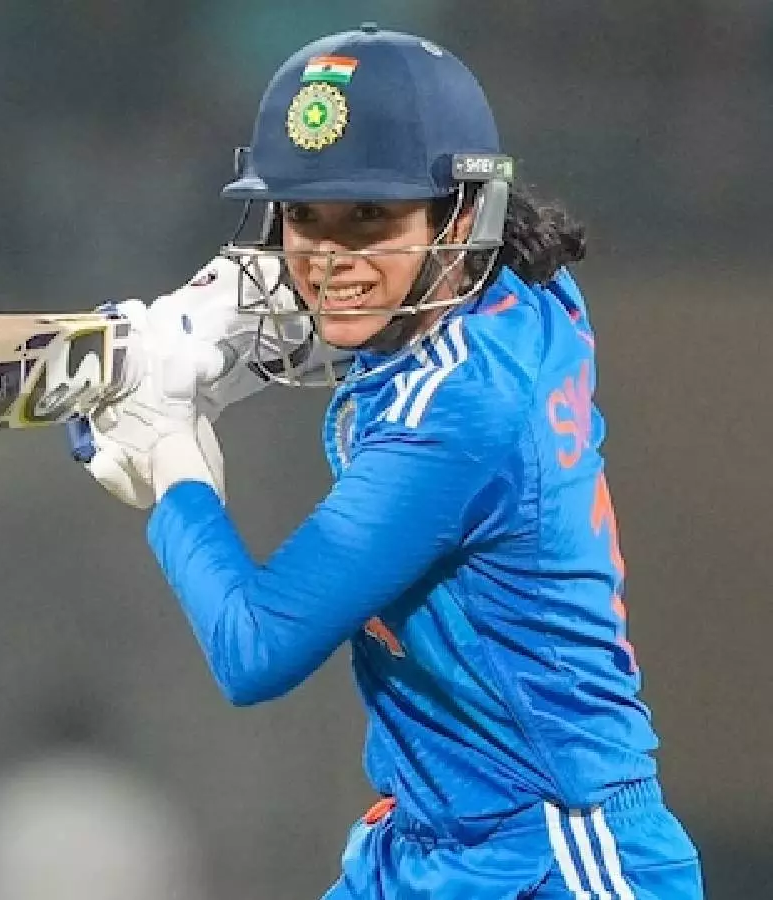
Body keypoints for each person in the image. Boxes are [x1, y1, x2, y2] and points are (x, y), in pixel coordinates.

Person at [75, 24, 703, 899]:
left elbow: (256, 649)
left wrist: (170, 458)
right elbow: (380, 311)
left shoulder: (457, 415)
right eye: (304, 215)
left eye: (370, 214)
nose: (330, 258)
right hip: (425, 841)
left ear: (461, 215)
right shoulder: (532, 294)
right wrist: (213, 328)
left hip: (553, 854)